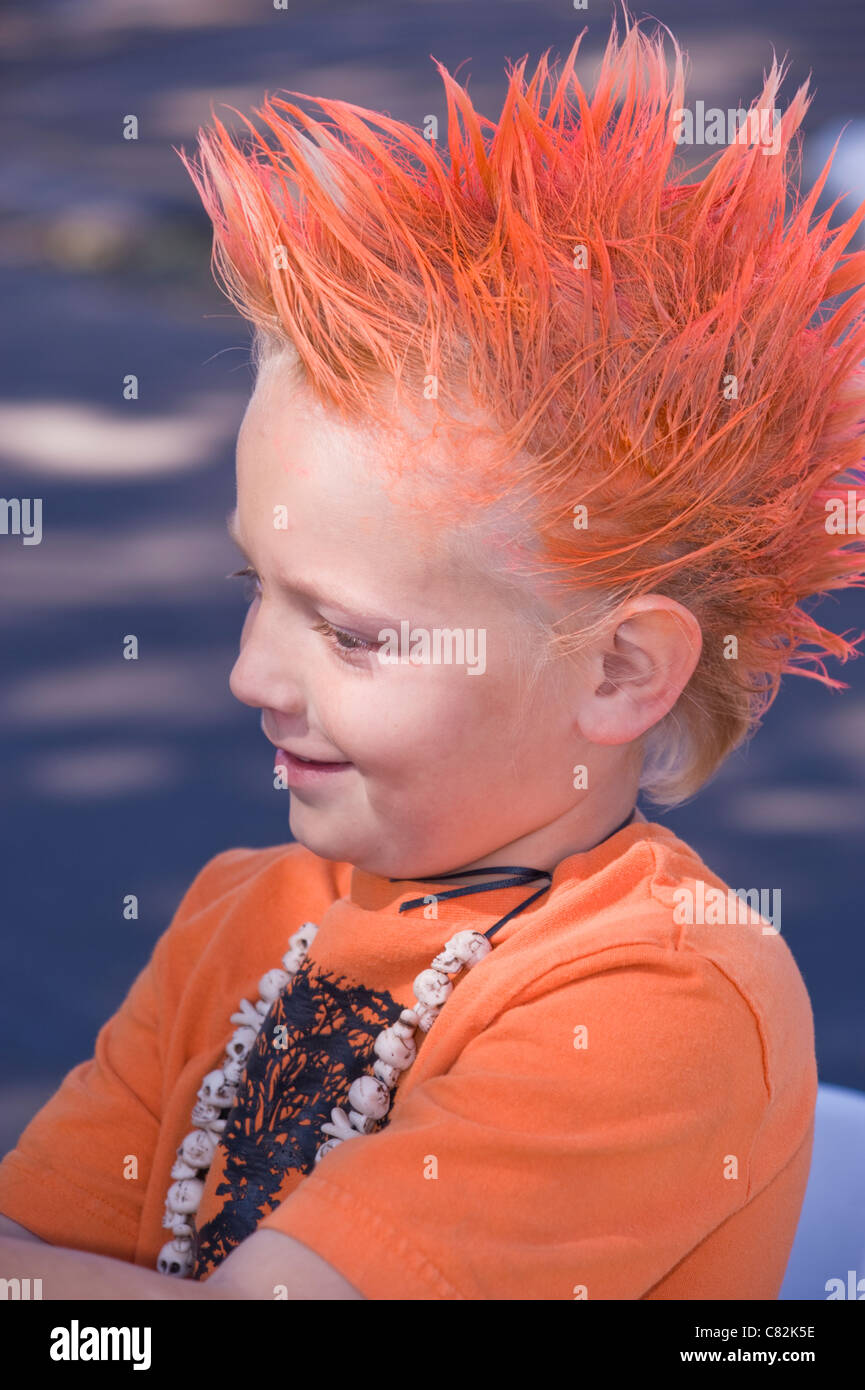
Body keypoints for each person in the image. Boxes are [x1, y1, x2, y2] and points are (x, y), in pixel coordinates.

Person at [1, 12, 863, 1300]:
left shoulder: (660, 1000)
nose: (252, 675)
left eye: (348, 631)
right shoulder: (251, 912)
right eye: (258, 588)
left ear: (621, 672)